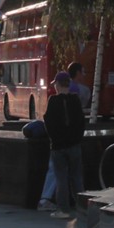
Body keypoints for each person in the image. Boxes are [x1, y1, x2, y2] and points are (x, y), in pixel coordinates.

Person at [42, 71, 86, 217]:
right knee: (76, 178)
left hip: (58, 146)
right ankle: (82, 208)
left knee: (61, 178)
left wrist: (54, 139)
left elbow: (48, 122)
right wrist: (77, 138)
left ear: (58, 85)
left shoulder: (53, 101)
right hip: (75, 145)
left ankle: (63, 210)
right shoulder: (75, 100)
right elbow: (81, 122)